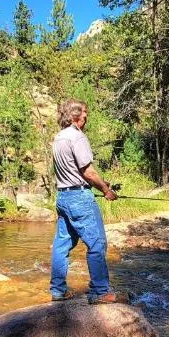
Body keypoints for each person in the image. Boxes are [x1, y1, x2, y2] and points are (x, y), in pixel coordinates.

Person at [50, 98, 125, 304]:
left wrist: (102, 182)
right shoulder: (77, 137)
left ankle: (58, 291)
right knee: (97, 243)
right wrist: (105, 190)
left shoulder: (58, 138)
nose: (86, 116)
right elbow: (87, 171)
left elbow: (74, 171)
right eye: (85, 113)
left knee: (62, 245)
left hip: (63, 196)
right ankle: (100, 292)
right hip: (79, 198)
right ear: (75, 116)